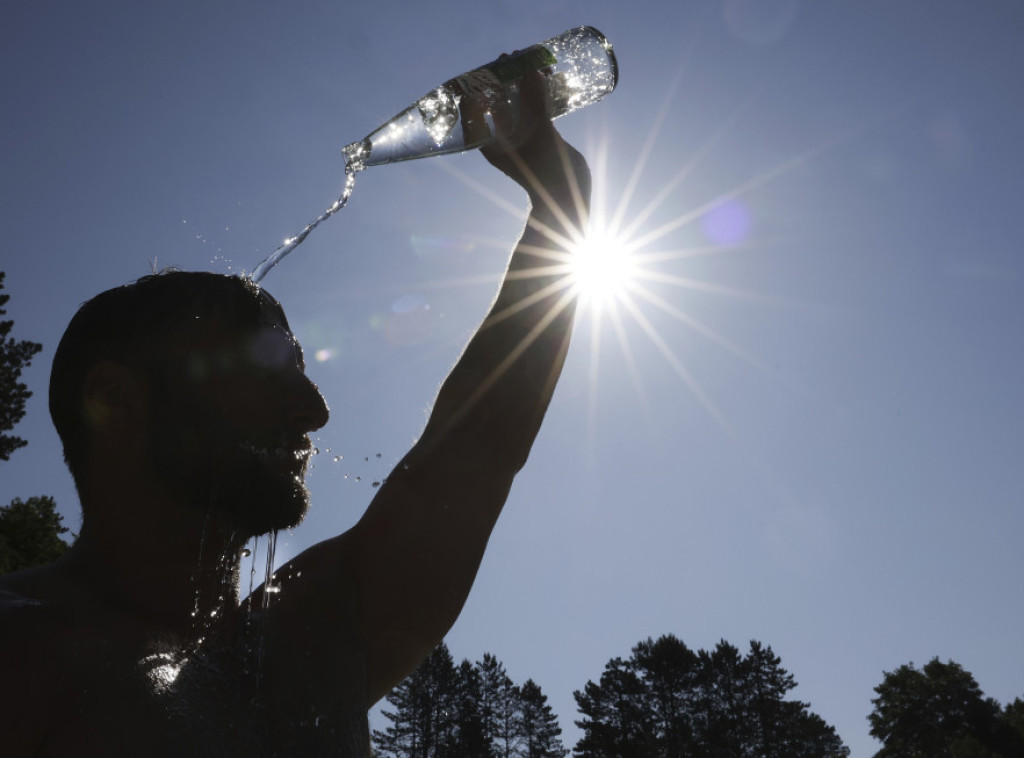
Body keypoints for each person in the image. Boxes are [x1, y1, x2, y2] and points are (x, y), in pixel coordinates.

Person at [0, 73, 590, 756]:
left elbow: (478, 446)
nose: (314, 411)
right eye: (263, 370)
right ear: (115, 400)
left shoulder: (314, 636)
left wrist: (561, 201)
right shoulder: (23, 651)